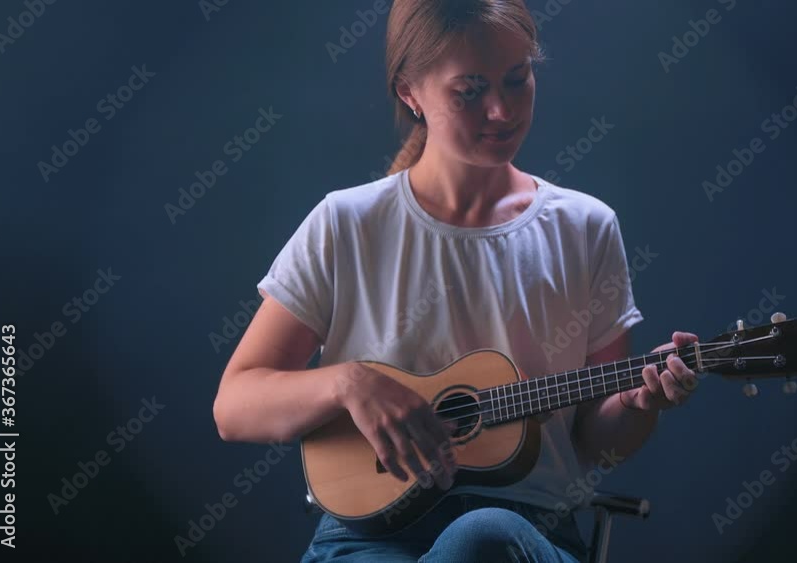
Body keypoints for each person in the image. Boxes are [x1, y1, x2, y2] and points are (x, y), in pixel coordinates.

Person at [212, 1, 700, 561]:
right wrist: (348, 383)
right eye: (469, 91)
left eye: (517, 79)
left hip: (526, 534)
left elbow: (594, 441)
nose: (501, 110)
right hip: (368, 539)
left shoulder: (586, 228)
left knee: (483, 535)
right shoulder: (346, 224)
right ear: (410, 92)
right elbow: (234, 406)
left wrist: (638, 403)